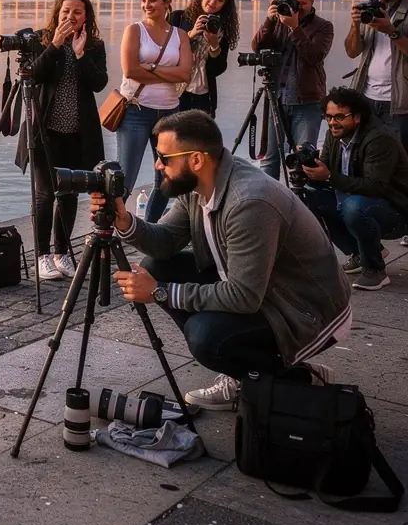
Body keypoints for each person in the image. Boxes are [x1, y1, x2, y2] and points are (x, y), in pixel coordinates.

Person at [91, 110, 351, 411]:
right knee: (156, 266)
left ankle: (290, 377)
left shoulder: (249, 202)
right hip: (264, 288)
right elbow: (166, 242)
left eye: (165, 157)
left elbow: (244, 296)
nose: (158, 165)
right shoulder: (200, 184)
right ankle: (244, 368)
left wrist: (160, 291)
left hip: (305, 311)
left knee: (205, 337)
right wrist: (124, 221)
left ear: (197, 160)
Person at [22, 0, 108, 281]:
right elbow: (34, 75)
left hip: (78, 133)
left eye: (78, 12)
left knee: (69, 194)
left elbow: (99, 83)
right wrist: (57, 45)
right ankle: (42, 256)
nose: (71, 17)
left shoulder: (94, 45)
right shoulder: (41, 40)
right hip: (45, 133)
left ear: (87, 17)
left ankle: (62, 253)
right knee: (45, 195)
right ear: (57, 13)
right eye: (66, 11)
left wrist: (81, 55)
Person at [301, 87, 408, 291]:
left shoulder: (379, 139)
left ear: (357, 117)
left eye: (340, 116)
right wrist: (308, 167)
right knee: (311, 195)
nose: (333, 122)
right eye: (329, 116)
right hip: (359, 202)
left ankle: (375, 269)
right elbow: (326, 172)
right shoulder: (334, 134)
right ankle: (361, 253)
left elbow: (374, 186)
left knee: (354, 206)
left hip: (396, 209)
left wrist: (330, 176)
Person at [116, 0, 192, 224]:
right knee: (126, 176)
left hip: (169, 114)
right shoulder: (134, 31)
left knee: (167, 178)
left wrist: (152, 67)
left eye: (152, 0)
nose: (146, 5)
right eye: (143, 0)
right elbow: (130, 71)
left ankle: (150, 228)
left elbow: (185, 74)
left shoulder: (180, 35)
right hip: (136, 112)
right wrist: (166, 72)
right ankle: (111, 229)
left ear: (168, 3)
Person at [251, 0, 333, 179]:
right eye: (294, 2)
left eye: (303, 4)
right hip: (275, 99)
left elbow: (314, 56)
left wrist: (295, 28)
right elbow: (257, 48)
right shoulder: (278, 22)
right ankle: (268, 204)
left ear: (312, 0)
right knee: (269, 159)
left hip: (307, 103)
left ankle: (299, 206)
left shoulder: (323, 26)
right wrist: (269, 22)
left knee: (303, 160)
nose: (298, 8)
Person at [345, 0, 408, 149]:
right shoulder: (372, 7)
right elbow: (352, 52)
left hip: (399, 103)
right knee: (367, 156)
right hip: (367, 97)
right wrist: (356, 25)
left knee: (399, 159)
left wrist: (392, 31)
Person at [170, 0, 239, 117]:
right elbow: (166, 53)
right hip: (174, 95)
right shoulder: (178, 18)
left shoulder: (221, 31)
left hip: (203, 98)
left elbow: (217, 70)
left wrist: (214, 46)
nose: (213, 2)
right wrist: (191, 34)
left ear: (224, 5)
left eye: (220, 0)